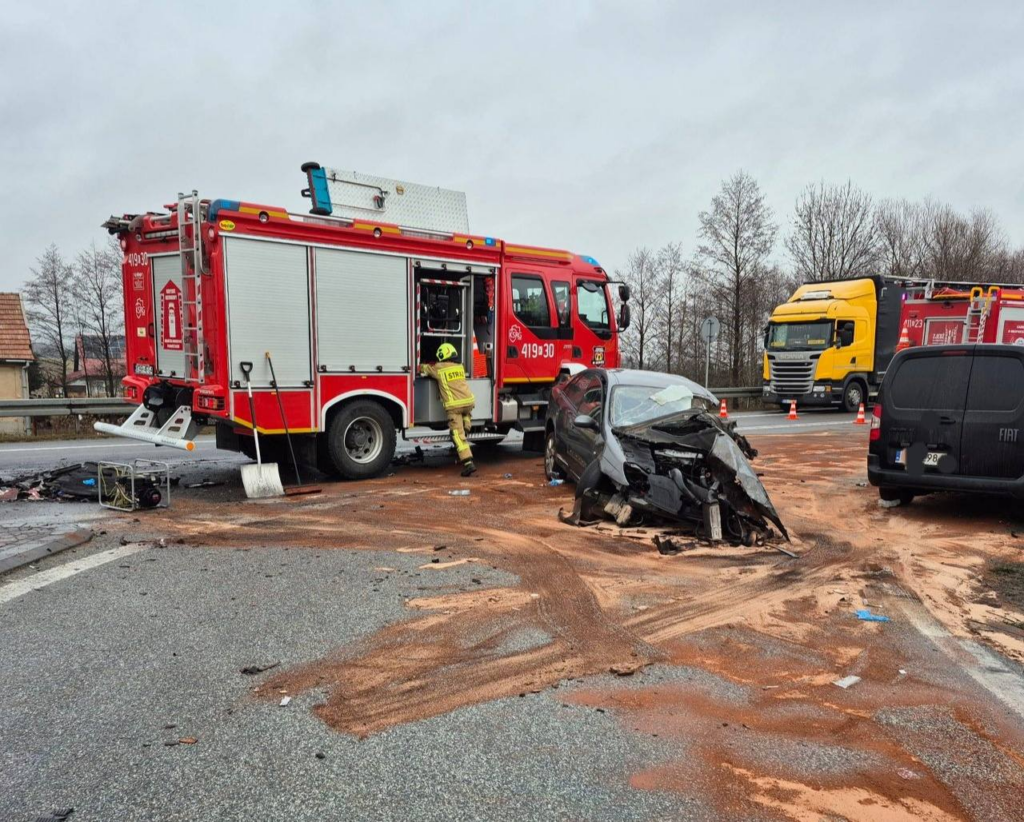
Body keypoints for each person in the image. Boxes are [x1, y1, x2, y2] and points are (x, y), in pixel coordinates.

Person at [420, 342, 477, 476]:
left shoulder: (439, 368)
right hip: (468, 403)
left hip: (454, 407)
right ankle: (467, 426)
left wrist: (421, 365)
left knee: (457, 435)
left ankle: (468, 462)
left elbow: (425, 369)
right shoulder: (460, 367)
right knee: (465, 417)